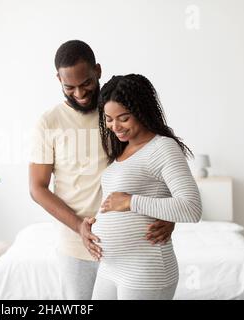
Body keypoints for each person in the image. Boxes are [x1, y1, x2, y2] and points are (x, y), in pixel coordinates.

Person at [29, 40, 176, 300]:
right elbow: (37, 188)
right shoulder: (49, 122)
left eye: (85, 83)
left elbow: (155, 163)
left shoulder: (118, 113)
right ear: (58, 80)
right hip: (77, 247)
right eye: (69, 87)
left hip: (134, 248)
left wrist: (169, 215)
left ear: (97, 70)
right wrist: (79, 227)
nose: (80, 93)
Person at [91, 74, 202, 300]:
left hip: (145, 269)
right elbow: (115, 202)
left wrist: (131, 201)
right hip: (110, 268)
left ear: (141, 111)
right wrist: (93, 222)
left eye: (123, 118)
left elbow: (191, 208)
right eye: (109, 119)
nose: (115, 126)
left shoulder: (163, 148)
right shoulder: (121, 151)